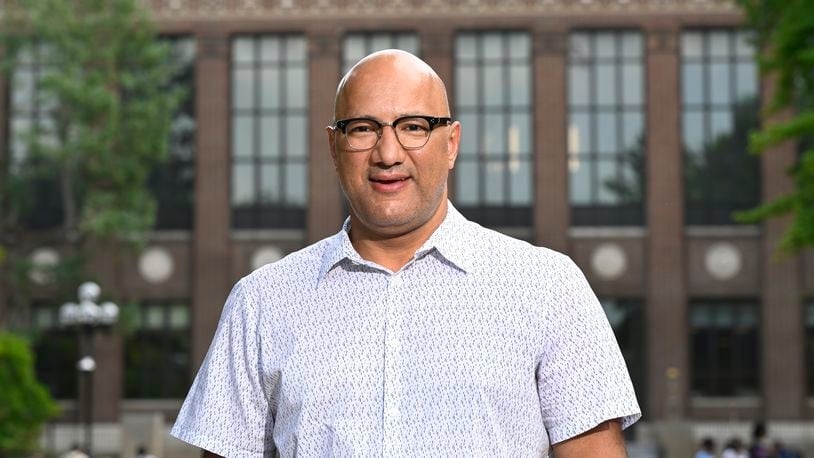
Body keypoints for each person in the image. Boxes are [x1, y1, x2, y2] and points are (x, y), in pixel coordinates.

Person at [171, 49, 640, 456]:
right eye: (363, 129)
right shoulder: (261, 303)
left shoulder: (547, 288)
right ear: (334, 147)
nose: (388, 153)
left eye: (414, 127)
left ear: (451, 143)